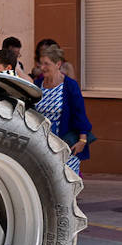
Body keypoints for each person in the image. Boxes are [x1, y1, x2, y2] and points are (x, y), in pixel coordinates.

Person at [33, 44, 91, 174]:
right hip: (42, 145)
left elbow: (79, 113)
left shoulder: (70, 85)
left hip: (66, 145)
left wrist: (82, 140)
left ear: (58, 64)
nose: (42, 68)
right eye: (41, 64)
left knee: (66, 182)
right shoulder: (37, 85)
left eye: (46, 64)